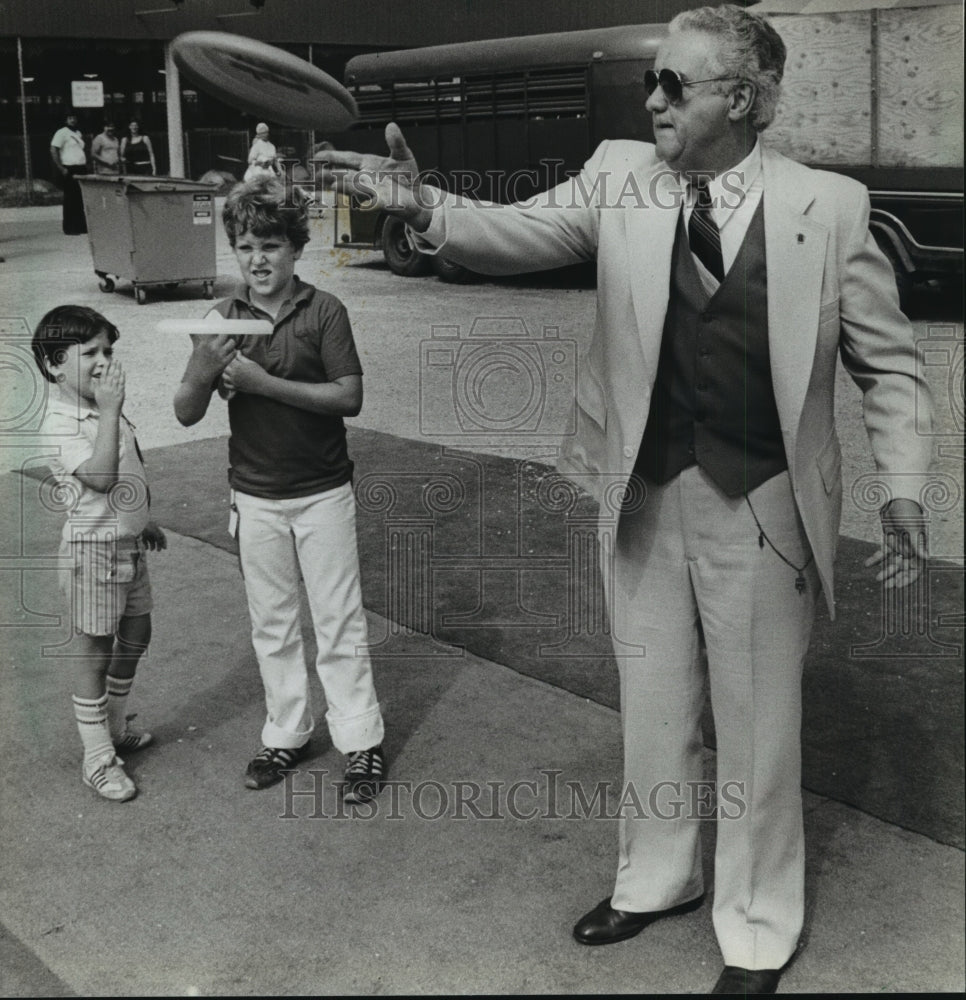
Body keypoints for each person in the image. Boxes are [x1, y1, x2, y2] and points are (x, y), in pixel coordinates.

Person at [319, 5, 932, 993]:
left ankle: (758, 925)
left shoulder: (833, 207)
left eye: (675, 84)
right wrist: (426, 205)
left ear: (740, 96)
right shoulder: (618, 175)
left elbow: (891, 366)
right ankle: (657, 880)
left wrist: (903, 484)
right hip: (645, 490)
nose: (652, 98)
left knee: (759, 724)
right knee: (653, 705)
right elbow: (514, 232)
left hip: (765, 503)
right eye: (654, 81)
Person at [173, 177, 386, 803]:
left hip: (322, 492)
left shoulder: (324, 311)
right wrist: (203, 365)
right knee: (272, 622)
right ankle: (288, 732)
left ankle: (361, 741)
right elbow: (186, 411)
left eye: (270, 244)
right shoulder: (221, 321)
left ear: (296, 248)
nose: (258, 259)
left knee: (338, 619)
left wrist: (263, 383)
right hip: (256, 495)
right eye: (245, 247)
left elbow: (349, 397)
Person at [32, 305, 167, 802]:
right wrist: (110, 411)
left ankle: (112, 724)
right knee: (95, 649)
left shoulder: (100, 410)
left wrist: (141, 519)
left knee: (137, 631)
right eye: (89, 352)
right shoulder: (61, 420)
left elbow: (125, 478)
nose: (103, 361)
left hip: (125, 543)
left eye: (108, 350)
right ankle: (97, 757)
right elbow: (101, 477)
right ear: (54, 366)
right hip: (91, 552)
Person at [50, 112, 88, 234]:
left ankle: (81, 226)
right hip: (69, 168)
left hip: (81, 168)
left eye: (74, 117)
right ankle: (70, 228)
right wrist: (61, 168)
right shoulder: (61, 132)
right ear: (66, 120)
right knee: (70, 199)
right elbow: (53, 149)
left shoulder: (78, 133)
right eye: (70, 118)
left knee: (80, 198)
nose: (72, 120)